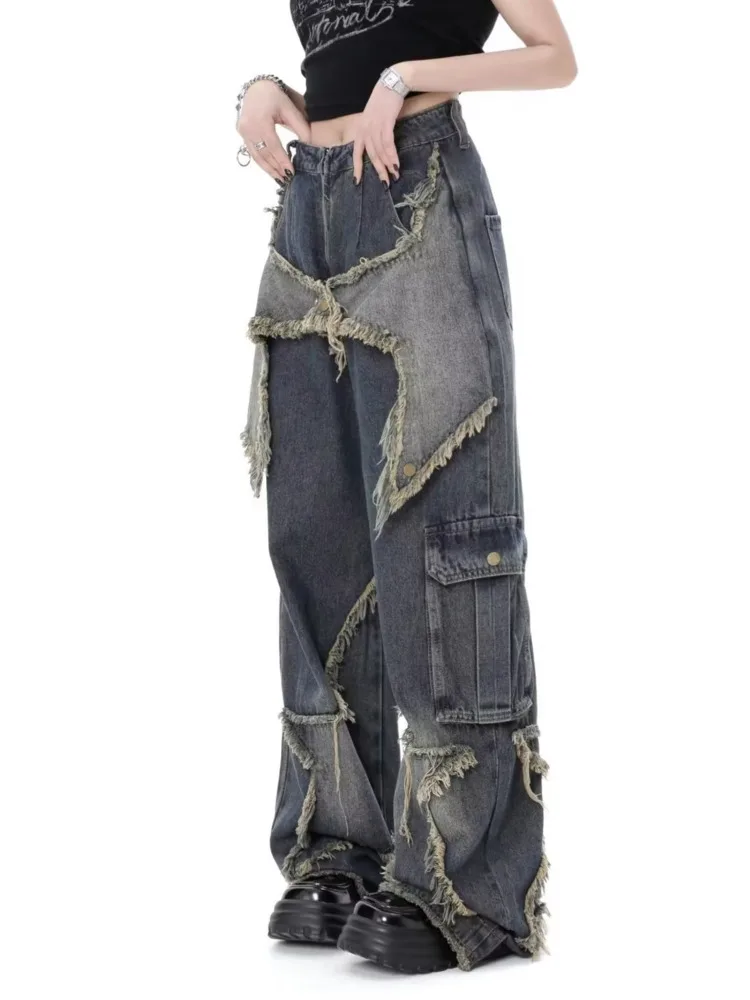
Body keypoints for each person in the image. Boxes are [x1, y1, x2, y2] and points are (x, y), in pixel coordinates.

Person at [236, 0, 576, 975]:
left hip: (415, 192)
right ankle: (338, 847)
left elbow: (554, 57)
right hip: (310, 215)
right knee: (315, 537)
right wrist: (270, 92)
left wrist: (408, 80)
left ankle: (466, 878)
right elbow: (342, 65)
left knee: (444, 533)